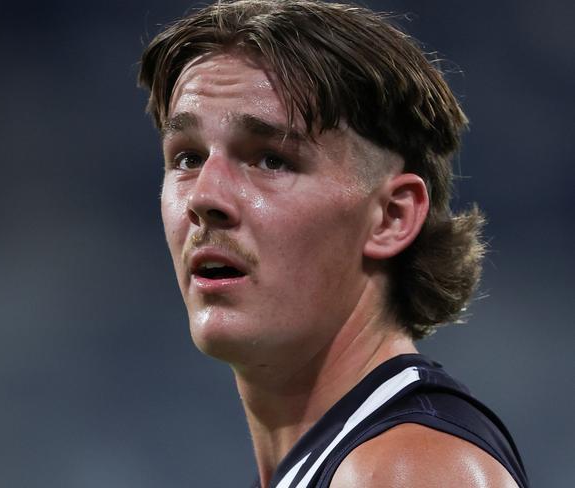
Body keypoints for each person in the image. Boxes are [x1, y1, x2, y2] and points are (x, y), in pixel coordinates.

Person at [138, 1, 529, 486]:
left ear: (391, 217)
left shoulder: (408, 470)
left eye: (271, 160)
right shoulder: (353, 458)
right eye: (187, 157)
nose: (203, 197)